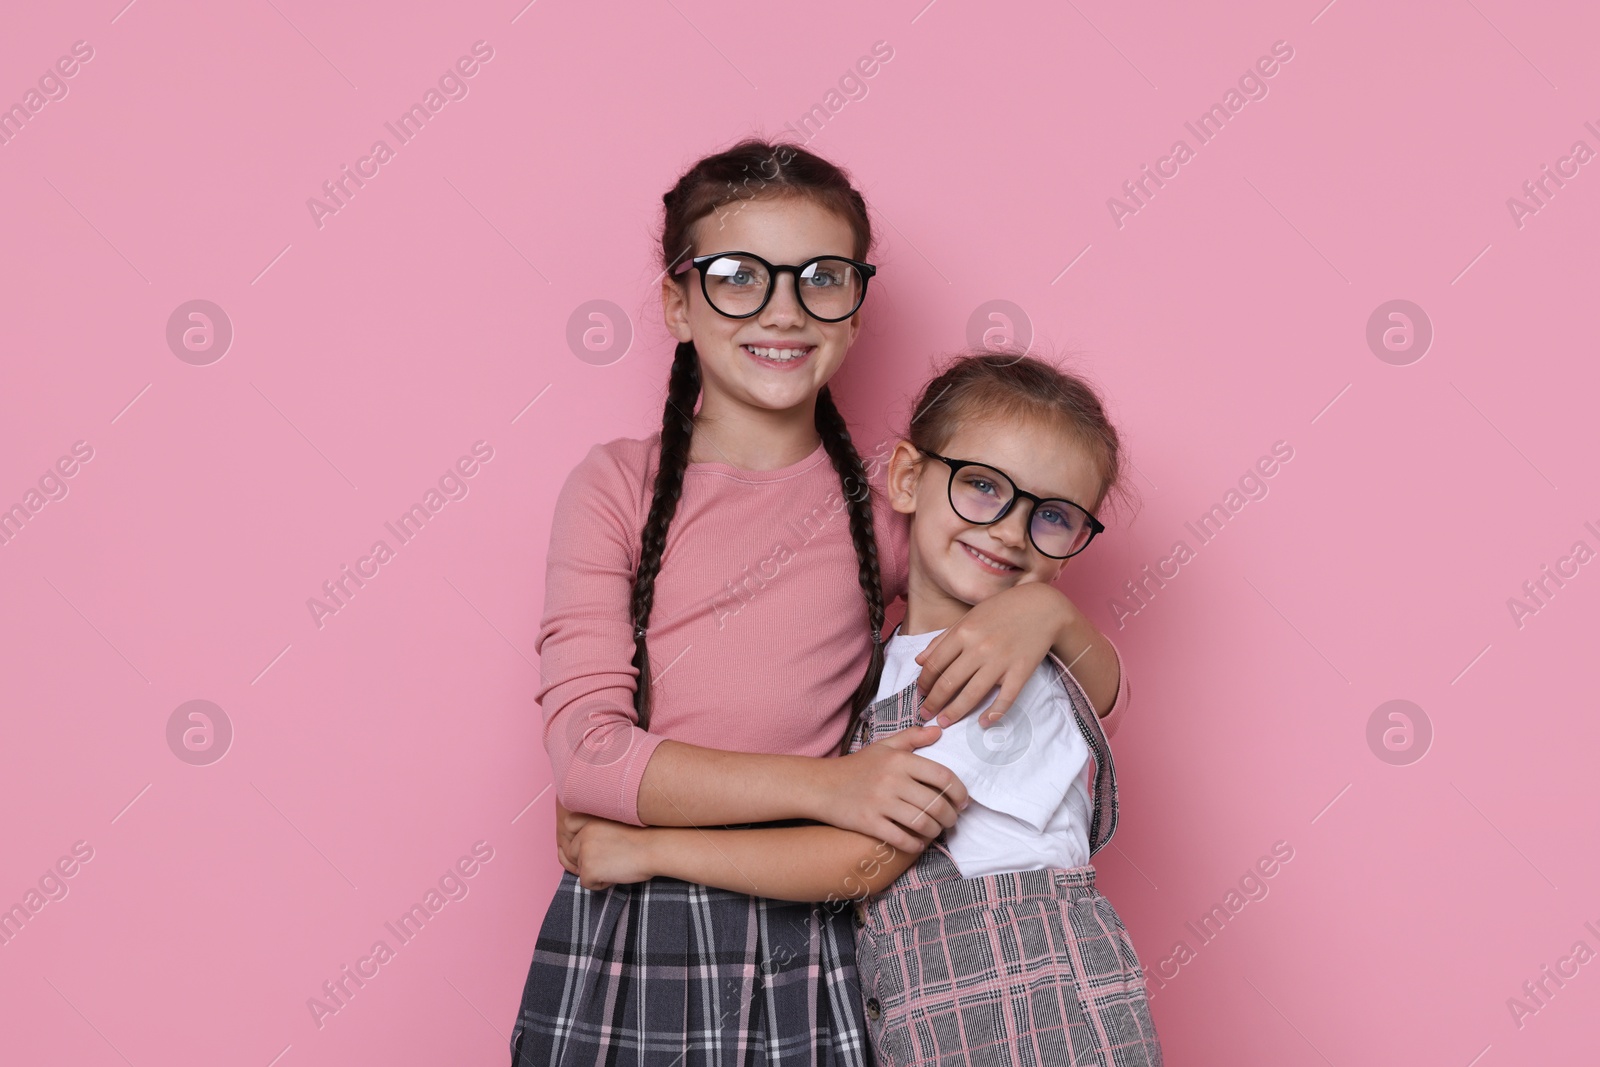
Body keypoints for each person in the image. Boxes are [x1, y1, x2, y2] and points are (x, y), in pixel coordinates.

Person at [511, 139, 1134, 1066]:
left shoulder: (889, 515)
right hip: (638, 930)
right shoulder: (616, 489)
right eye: (737, 276)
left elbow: (1077, 685)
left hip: (815, 941)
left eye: (821, 278)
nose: (783, 308)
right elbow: (590, 758)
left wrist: (1049, 613)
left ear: (855, 309)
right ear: (679, 302)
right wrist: (831, 788)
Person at [566, 352, 1163, 1066]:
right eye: (982, 486)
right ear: (909, 478)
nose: (1009, 530)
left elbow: (865, 859)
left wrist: (648, 848)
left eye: (1053, 516)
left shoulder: (986, 671)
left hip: (1033, 1016)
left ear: (1071, 546)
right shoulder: (894, 663)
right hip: (946, 1018)